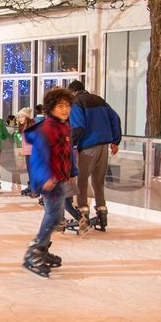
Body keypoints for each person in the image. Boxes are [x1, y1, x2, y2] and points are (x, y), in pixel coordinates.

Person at [24, 87, 76, 278]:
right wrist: (44, 177)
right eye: (60, 106)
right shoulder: (47, 128)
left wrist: (72, 171)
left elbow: (68, 153)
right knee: (53, 217)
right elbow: (39, 157)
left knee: (56, 216)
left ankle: (42, 248)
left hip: (60, 178)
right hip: (50, 180)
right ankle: (35, 251)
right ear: (51, 107)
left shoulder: (64, 125)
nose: (64, 109)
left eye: (67, 105)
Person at [67, 79, 122, 232]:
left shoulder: (77, 102)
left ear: (72, 92)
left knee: (82, 181)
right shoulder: (99, 100)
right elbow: (115, 118)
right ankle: (102, 214)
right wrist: (116, 140)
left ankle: (83, 214)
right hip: (104, 145)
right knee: (98, 181)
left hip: (88, 147)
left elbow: (78, 126)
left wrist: (71, 145)